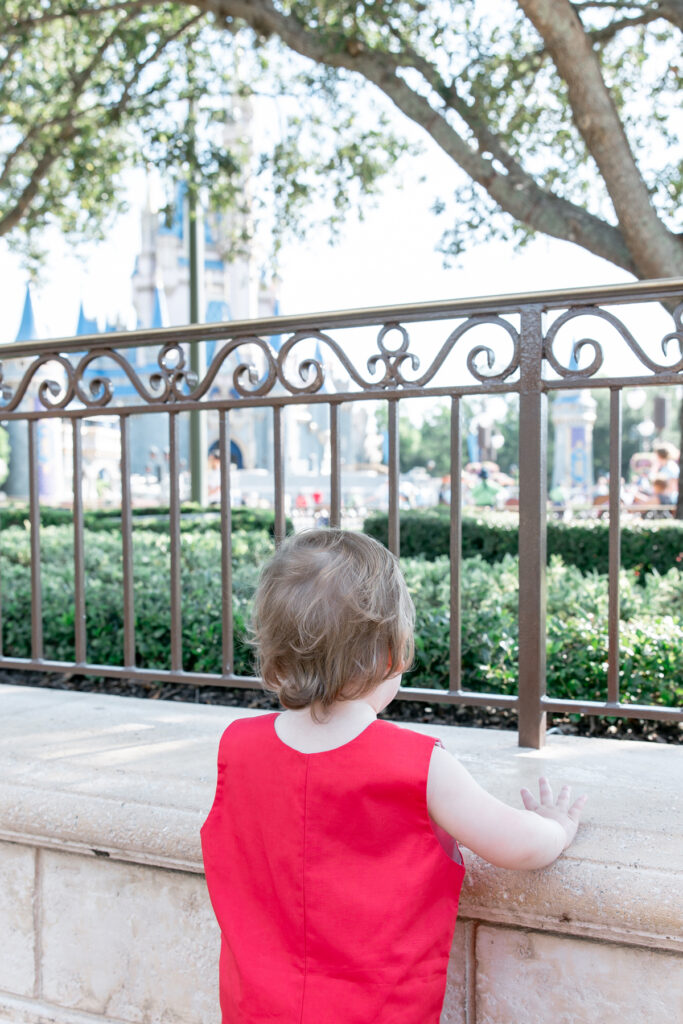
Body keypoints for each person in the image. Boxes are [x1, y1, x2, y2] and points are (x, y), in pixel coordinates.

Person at [201, 530, 587, 1024]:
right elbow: (518, 846)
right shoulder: (416, 764)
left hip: (253, 1010)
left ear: (274, 658)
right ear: (393, 655)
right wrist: (556, 825)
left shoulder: (236, 747)